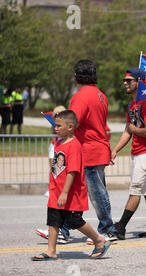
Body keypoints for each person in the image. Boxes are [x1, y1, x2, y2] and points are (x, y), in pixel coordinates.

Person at [31, 110, 112, 261]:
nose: (55, 128)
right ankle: (51, 251)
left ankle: (99, 240)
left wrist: (64, 192)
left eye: (58, 126)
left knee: (75, 220)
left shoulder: (74, 145)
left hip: (71, 192)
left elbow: (72, 171)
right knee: (53, 219)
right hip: (56, 190)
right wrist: (55, 189)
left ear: (70, 127)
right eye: (55, 125)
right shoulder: (59, 143)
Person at [111, 68, 146, 239]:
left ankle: (121, 227)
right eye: (125, 80)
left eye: (129, 80)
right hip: (138, 152)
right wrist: (115, 150)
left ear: (140, 82)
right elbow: (128, 131)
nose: (125, 83)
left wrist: (134, 129)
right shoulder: (132, 104)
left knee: (135, 189)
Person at [69, 59, 118, 243]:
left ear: (77, 76)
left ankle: (107, 229)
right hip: (97, 148)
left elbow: (73, 121)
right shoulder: (100, 95)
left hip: (88, 150)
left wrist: (57, 121)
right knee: (78, 190)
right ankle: (63, 229)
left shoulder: (81, 96)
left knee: (96, 193)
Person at [36, 106, 73, 244]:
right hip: (56, 148)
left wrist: (64, 190)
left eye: (58, 114)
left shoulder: (70, 140)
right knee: (56, 206)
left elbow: (70, 170)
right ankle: (58, 234)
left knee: (74, 217)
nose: (55, 119)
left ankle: (99, 237)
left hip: (66, 183)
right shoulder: (57, 139)